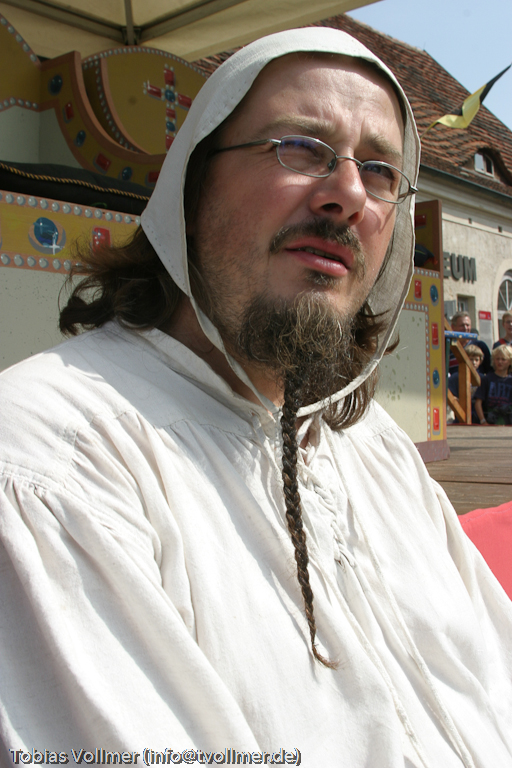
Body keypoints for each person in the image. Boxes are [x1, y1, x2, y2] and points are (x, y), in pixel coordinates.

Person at [1, 27, 511, 768]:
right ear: (191, 188)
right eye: (300, 147)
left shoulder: (375, 449)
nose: (347, 194)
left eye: (379, 171)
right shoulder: (58, 462)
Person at [474, 344, 512, 425]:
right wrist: (483, 421)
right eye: (497, 359)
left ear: (510, 362)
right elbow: (478, 402)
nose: (500, 362)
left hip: (508, 420)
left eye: (503, 359)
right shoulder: (487, 379)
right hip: (490, 419)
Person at [448, 343, 484, 423]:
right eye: (470, 359)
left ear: (480, 361)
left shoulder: (483, 378)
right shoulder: (455, 377)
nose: (474, 362)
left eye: (476, 360)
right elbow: (450, 396)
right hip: (459, 417)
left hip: (478, 417)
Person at [448, 311, 491, 375]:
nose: (465, 328)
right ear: (453, 327)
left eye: (467, 325)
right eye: (462, 325)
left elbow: (489, 371)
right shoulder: (448, 348)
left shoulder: (480, 346)